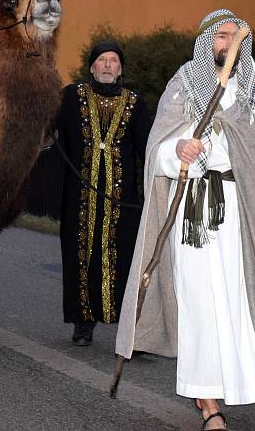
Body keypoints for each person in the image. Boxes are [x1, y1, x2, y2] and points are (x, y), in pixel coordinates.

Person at [115, 10, 255, 431]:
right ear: (208, 41)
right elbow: (157, 148)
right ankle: (208, 401)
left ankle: (224, 386)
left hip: (234, 210)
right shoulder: (186, 83)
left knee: (231, 299)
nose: (228, 43)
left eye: (235, 37)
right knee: (197, 301)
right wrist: (179, 152)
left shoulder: (249, 93)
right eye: (221, 35)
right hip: (192, 209)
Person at [55, 40, 151, 346]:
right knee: (80, 257)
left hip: (122, 204)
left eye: (113, 60)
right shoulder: (71, 97)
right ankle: (83, 323)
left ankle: (131, 332)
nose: (108, 65)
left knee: (124, 262)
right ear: (92, 66)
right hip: (79, 201)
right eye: (102, 60)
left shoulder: (135, 103)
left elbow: (149, 148)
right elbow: (49, 128)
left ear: (120, 68)